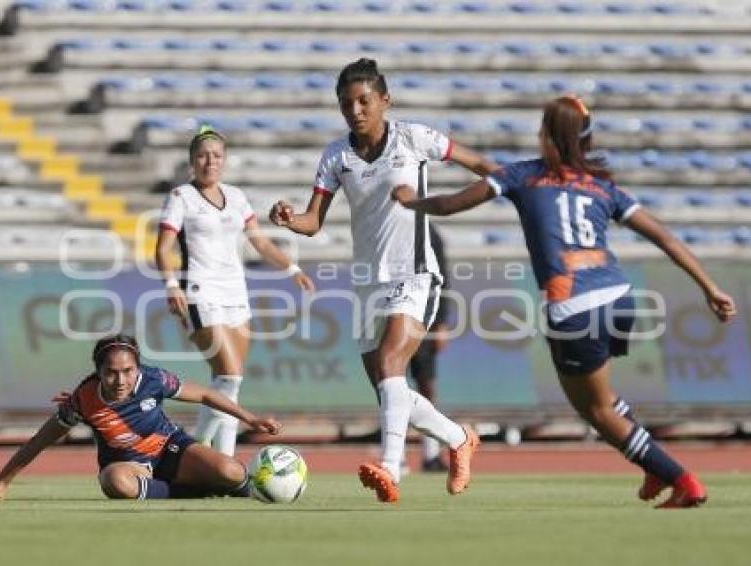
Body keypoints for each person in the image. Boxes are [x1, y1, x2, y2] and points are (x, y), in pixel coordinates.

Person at [392, 95, 737, 509]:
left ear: (547, 136)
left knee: (596, 411)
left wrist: (411, 201)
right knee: (602, 397)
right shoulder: (601, 185)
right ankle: (652, 468)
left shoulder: (525, 176)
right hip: (619, 296)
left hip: (573, 306)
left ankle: (682, 480)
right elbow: (663, 236)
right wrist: (709, 287)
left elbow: (450, 205)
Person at [269, 58, 499, 503]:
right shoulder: (335, 156)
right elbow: (313, 221)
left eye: (363, 101)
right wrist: (287, 219)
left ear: (384, 101)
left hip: (415, 274)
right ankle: (458, 438)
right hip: (366, 283)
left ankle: (391, 468)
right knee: (390, 390)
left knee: (393, 368)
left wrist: (520, 187)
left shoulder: (415, 138)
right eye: (346, 104)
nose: (355, 110)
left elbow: (481, 164)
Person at [155, 125, 314, 458]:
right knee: (229, 373)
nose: (210, 161)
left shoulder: (237, 197)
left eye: (216, 155)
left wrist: (293, 269)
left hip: (235, 293)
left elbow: (259, 241)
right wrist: (171, 284)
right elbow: (163, 247)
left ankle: (219, 462)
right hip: (198, 290)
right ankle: (200, 454)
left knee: (229, 382)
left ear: (224, 160)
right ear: (191, 161)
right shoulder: (181, 197)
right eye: (202, 155)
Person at [0, 334, 282, 502]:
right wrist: (2, 482)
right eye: (111, 372)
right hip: (129, 466)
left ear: (138, 368)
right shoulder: (84, 398)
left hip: (170, 449)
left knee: (229, 470)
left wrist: (250, 419)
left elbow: (205, 394)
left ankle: (248, 490)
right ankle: (198, 490)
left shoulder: (154, 379)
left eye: (128, 371)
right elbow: (40, 441)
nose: (120, 380)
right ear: (98, 371)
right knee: (115, 483)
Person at [409, 225, 452, 472]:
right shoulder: (384, 223)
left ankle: (431, 453)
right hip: (391, 310)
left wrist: (442, 322)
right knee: (389, 384)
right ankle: (394, 456)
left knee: (427, 386)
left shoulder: (428, 230)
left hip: (424, 316)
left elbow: (442, 277)